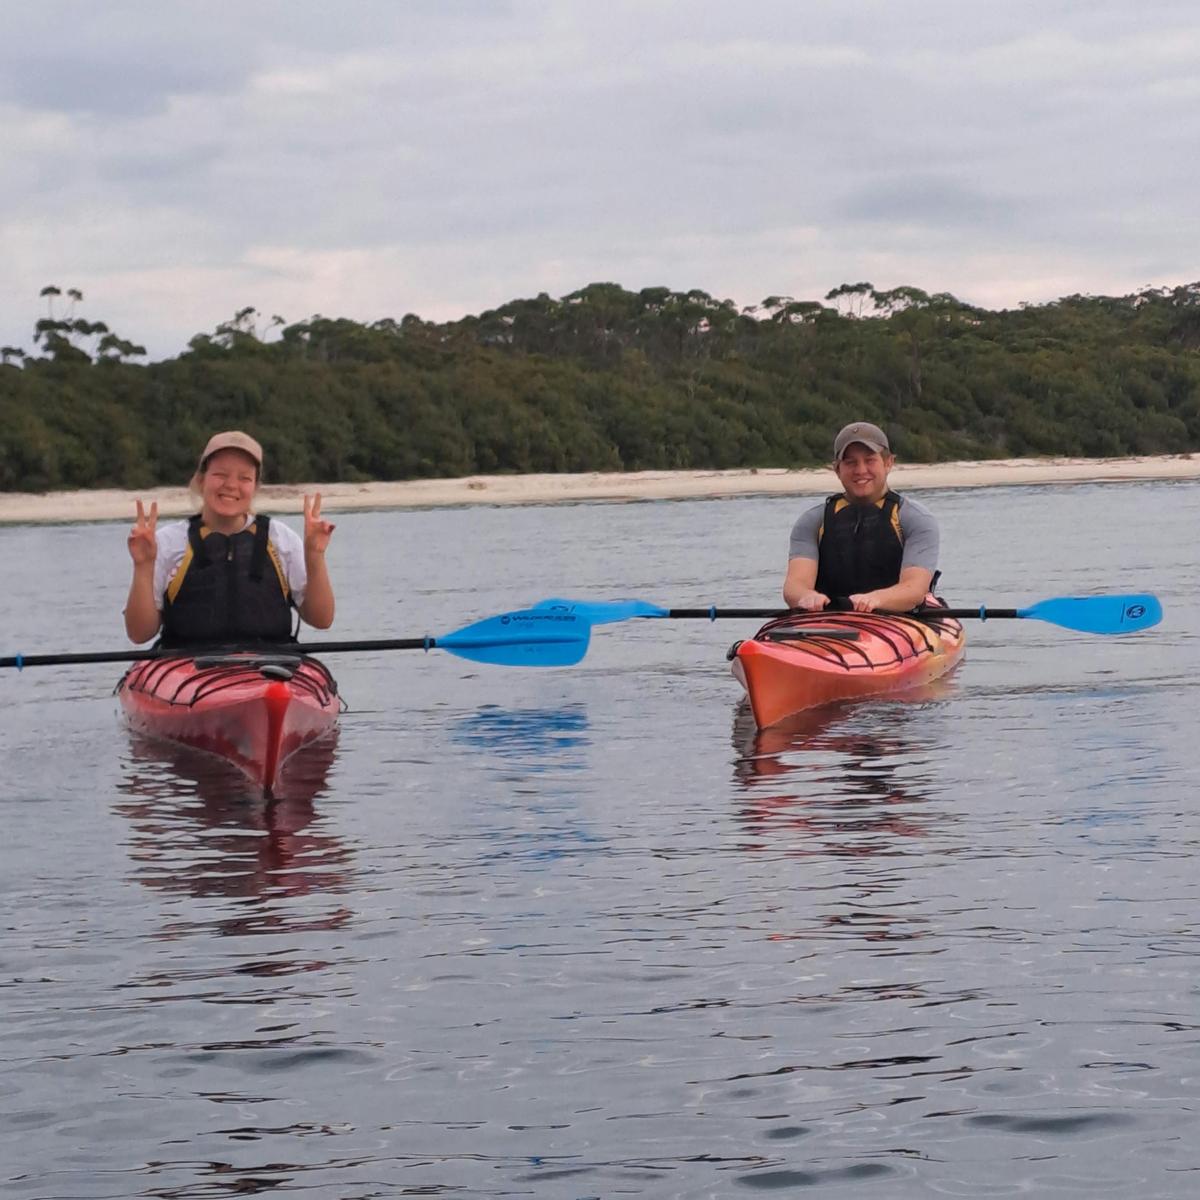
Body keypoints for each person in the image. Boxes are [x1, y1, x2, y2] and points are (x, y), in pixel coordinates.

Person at [124, 431, 335, 645]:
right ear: (201, 479)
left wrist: (315, 555)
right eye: (220, 475)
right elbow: (139, 634)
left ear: (255, 487)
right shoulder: (167, 543)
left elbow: (322, 619)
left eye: (244, 478)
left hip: (271, 666)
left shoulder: (282, 539)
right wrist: (143, 565)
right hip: (188, 668)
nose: (231, 485)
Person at [783, 421, 938, 613]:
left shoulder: (915, 518)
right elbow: (795, 586)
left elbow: (914, 589)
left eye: (870, 460)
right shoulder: (813, 521)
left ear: (888, 463)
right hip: (827, 621)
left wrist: (875, 599)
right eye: (850, 462)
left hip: (897, 619)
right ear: (837, 469)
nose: (860, 470)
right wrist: (806, 597)